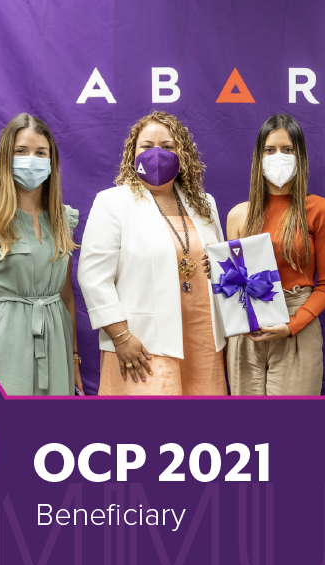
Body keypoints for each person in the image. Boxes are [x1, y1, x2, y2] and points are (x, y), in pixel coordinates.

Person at [78, 111, 226, 395]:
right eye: (146, 146)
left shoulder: (205, 204)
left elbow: (218, 263)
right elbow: (93, 277)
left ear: (182, 154)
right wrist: (121, 338)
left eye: (167, 147)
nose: (157, 154)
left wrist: (217, 266)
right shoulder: (113, 202)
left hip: (204, 342)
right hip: (141, 345)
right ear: (132, 154)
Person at [206, 114, 325, 395]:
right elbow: (235, 282)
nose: (278, 156)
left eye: (287, 149)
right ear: (259, 157)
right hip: (247, 330)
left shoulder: (318, 210)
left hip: (297, 323)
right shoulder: (238, 214)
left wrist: (293, 324)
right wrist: (218, 274)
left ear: (300, 156)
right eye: (270, 150)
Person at [0, 113, 82, 396]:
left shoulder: (64, 219)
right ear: (6, 157)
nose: (32, 159)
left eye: (41, 153)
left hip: (56, 339)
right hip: (5, 339)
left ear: (51, 161)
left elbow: (66, 296)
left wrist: (75, 357)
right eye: (21, 151)